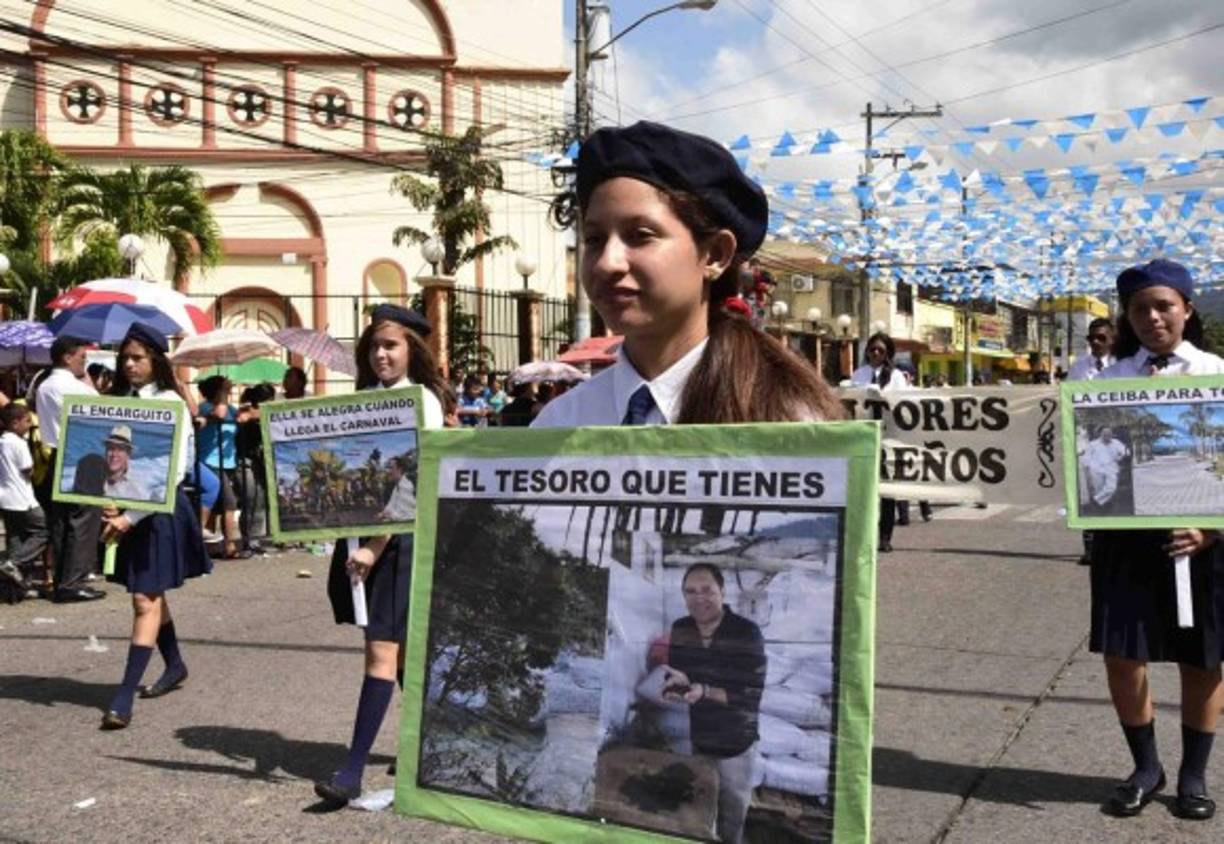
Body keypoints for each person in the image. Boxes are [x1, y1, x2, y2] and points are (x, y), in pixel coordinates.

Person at [531, 121, 842, 841]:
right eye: (593, 238)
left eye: (640, 235)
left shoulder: (791, 424)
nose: (608, 262)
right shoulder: (557, 433)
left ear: (714, 254)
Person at [1090, 259, 1224, 821]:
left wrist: (1212, 528)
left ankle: (1193, 776)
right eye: (1140, 307)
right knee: (1124, 655)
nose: (1152, 317)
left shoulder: (1216, 372)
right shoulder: (1106, 381)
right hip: (1127, 541)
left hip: (1202, 539)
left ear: (1187, 309)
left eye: (1164, 305)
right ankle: (1147, 768)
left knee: (1202, 659)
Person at [315, 303, 445, 808]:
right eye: (374, 346)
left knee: (381, 653)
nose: (381, 354)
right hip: (367, 539)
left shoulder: (421, 403)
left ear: (413, 349)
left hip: (399, 540)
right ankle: (434, 741)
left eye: (390, 345)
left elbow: (409, 482)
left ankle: (350, 771)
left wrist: (372, 547)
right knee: (405, 653)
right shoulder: (367, 398)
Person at [99, 323, 211, 730]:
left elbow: (173, 469)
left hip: (155, 514)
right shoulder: (115, 401)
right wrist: (103, 502)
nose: (130, 365)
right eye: (125, 358)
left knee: (144, 600)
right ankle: (175, 664)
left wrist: (131, 516)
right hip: (126, 513)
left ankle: (123, 696)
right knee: (150, 595)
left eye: (138, 358)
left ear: (155, 360)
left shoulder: (171, 403)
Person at [662, 563, 766, 844]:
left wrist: (705, 690)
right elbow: (678, 673)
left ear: (722, 591)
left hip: (736, 743)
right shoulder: (681, 628)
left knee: (732, 816)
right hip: (700, 739)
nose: (699, 598)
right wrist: (677, 684)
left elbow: (750, 693)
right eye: (690, 591)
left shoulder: (746, 633)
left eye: (707, 590)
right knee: (700, 810)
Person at [35, 335, 103, 603]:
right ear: (67, 357)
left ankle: (63, 578)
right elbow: (101, 408)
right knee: (84, 520)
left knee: (63, 522)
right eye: (81, 358)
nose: (83, 363)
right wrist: (87, 381)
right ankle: (73, 582)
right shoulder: (73, 387)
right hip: (81, 455)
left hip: (56, 454)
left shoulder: (44, 385)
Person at [850, 332, 907, 552]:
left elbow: (904, 404)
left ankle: (885, 536)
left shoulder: (896, 376)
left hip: (888, 435)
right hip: (864, 434)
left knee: (887, 488)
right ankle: (865, 535)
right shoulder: (859, 373)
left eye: (881, 350)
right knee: (864, 488)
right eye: (872, 349)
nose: (875, 353)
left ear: (887, 353)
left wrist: (884, 397)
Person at [0, 403, 48, 592]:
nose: (29, 425)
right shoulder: (19, 443)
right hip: (22, 498)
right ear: (15, 423)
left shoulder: (2, 441)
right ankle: (12, 562)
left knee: (16, 537)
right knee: (44, 531)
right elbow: (28, 469)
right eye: (27, 421)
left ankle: (14, 584)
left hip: (5, 498)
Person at [1081, 427, 1130, 513]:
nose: (1107, 436)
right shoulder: (1093, 444)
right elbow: (1086, 458)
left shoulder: (1116, 442)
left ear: (1111, 435)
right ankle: (1102, 508)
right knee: (1099, 489)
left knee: (1111, 488)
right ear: (1101, 434)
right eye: (1105, 434)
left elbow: (1126, 452)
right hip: (1096, 469)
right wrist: (1088, 470)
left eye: (1109, 434)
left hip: (1111, 468)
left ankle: (1096, 501)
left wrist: (1122, 456)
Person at [100, 424, 148, 502]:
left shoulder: (137, 490)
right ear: (105, 451)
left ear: (128, 455)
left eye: (120, 449)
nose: (114, 454)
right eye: (111, 448)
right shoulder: (91, 479)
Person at [1068, 317, 1117, 381]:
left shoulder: (1120, 366)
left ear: (1112, 339)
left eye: (1101, 338)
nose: (1095, 341)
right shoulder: (1077, 367)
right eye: (1091, 338)